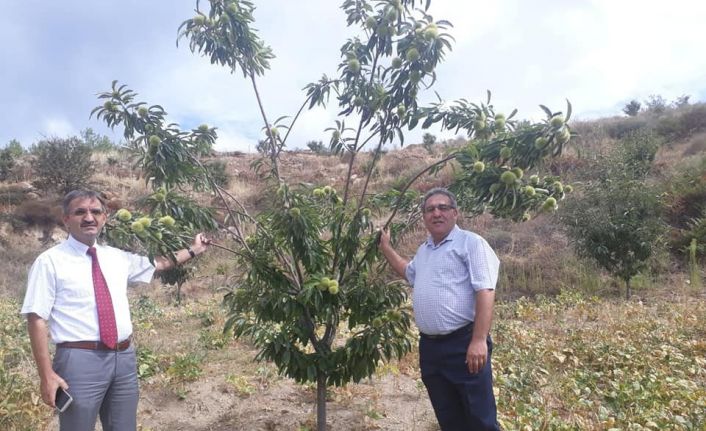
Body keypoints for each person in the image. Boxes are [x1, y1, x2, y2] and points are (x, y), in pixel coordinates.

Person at [21, 189, 212, 431]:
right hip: (79, 360)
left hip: (124, 358)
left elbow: (161, 263)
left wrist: (195, 249)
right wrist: (46, 375)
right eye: (80, 212)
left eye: (95, 212)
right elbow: (36, 319)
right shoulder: (49, 262)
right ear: (66, 219)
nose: (89, 218)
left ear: (104, 218)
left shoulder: (117, 257)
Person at [379, 187, 500, 431]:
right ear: (424, 217)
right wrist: (386, 248)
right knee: (449, 417)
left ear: (455, 213)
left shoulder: (471, 243)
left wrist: (478, 340)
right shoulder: (425, 250)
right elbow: (408, 272)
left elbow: (485, 291)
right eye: (430, 209)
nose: (436, 213)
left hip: (463, 343)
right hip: (431, 349)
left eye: (443, 207)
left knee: (480, 419)